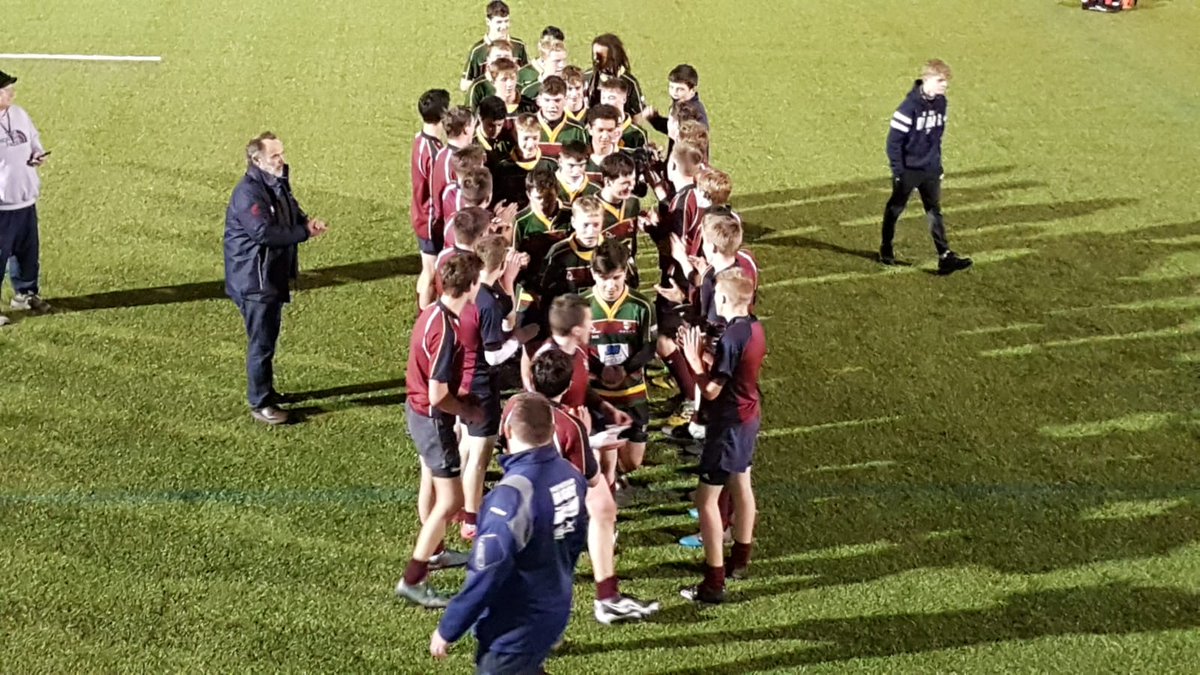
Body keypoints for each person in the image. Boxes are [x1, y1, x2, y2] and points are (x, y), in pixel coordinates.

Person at [430, 393, 588, 672]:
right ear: (552, 431)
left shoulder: (511, 498)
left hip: (513, 627)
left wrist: (449, 627)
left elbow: (487, 572)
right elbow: (576, 541)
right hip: (554, 609)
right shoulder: (570, 475)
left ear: (508, 430)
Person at [528, 349, 659, 624]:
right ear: (567, 387)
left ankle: (607, 596)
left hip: (522, 497)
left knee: (603, 508)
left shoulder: (516, 409)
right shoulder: (570, 424)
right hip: (555, 502)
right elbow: (587, 474)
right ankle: (541, 627)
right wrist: (590, 437)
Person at [397, 253, 486, 608]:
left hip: (417, 411)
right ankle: (413, 579)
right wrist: (468, 410)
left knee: (435, 487)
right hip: (432, 418)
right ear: (471, 286)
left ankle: (435, 554)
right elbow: (438, 394)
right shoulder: (447, 329)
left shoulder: (431, 312)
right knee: (450, 500)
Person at [223, 132, 328, 425]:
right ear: (257, 160)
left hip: (267, 276)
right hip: (255, 281)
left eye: (281, 153)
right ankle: (260, 403)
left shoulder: (274, 181)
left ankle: (266, 392)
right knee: (262, 343)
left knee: (266, 340)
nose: (282, 160)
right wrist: (304, 232)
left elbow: (288, 208)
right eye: (275, 156)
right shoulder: (248, 193)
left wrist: (305, 221)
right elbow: (263, 233)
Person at [678, 268, 766, 605]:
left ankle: (713, 583)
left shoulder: (731, 337)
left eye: (716, 296)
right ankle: (740, 562)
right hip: (748, 416)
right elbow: (734, 370)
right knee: (742, 485)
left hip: (728, 425)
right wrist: (705, 356)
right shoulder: (754, 327)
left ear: (726, 299)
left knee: (706, 501)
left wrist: (692, 361)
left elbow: (712, 391)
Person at [457, 235, 532, 540]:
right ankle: (471, 518)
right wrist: (519, 339)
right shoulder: (488, 301)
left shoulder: (471, 290)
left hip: (460, 378)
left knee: (464, 447)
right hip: (481, 384)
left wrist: (509, 283)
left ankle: (457, 503)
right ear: (501, 265)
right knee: (480, 454)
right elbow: (493, 353)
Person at [880, 59, 973, 275]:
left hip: (930, 169)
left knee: (934, 211)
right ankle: (886, 247)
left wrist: (937, 166)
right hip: (909, 170)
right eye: (941, 80)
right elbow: (893, 143)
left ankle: (945, 256)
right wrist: (899, 172)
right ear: (927, 79)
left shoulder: (941, 103)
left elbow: (936, 137)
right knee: (895, 209)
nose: (945, 86)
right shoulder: (908, 108)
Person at [583, 238, 656, 482]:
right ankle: (606, 496)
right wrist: (598, 371)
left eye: (617, 277)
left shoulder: (642, 306)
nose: (611, 286)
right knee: (604, 465)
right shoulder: (583, 306)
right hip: (597, 397)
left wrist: (624, 370)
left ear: (626, 272)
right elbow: (577, 350)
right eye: (604, 279)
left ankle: (614, 476)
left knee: (633, 462)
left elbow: (649, 347)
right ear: (593, 274)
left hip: (632, 394)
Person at [0, 70, 52, 323]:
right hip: (1, 206)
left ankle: (25, 294)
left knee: (27, 252)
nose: (12, 93)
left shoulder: (18, 114)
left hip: (25, 200)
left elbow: (33, 140)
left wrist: (37, 154)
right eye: (6, 89)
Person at [412, 89, 451, 309]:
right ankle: (425, 317)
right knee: (430, 271)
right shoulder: (435, 152)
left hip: (420, 213)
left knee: (427, 268)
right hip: (428, 220)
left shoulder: (420, 140)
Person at [540, 196, 604, 305]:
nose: (591, 231)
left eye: (596, 224)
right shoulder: (558, 252)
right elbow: (546, 290)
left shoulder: (613, 250)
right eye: (585, 225)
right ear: (573, 222)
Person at [492, 113, 558, 207]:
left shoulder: (550, 165)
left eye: (535, 138)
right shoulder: (503, 166)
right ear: (516, 135)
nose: (530, 144)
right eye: (525, 138)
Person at [461, 0, 529, 91]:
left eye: (506, 21)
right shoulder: (478, 50)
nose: (504, 26)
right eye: (499, 22)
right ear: (488, 21)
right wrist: (488, 80)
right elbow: (464, 85)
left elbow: (528, 77)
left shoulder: (519, 46)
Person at [585, 34, 646, 118]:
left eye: (600, 55)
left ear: (613, 55)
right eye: (594, 54)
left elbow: (637, 115)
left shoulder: (629, 82)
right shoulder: (587, 76)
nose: (596, 59)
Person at [644, 64, 710, 136]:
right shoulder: (679, 102)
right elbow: (672, 129)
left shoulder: (695, 112)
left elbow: (700, 139)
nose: (674, 93)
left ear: (693, 90)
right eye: (671, 87)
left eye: (680, 89)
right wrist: (655, 120)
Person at [533, 76, 588, 158]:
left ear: (566, 100)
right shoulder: (527, 125)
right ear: (539, 101)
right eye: (547, 100)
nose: (552, 106)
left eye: (557, 100)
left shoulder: (578, 129)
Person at [598, 78, 648, 150]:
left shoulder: (637, 133)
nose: (606, 102)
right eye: (603, 98)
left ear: (624, 99)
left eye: (611, 98)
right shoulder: (594, 129)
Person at [518, 31, 568, 99]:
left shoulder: (570, 84)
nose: (562, 65)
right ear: (543, 61)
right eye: (557, 61)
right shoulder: (530, 91)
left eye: (563, 60)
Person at [556, 140, 600, 206]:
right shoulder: (548, 186)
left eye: (581, 165)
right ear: (560, 161)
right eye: (571, 165)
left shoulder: (595, 190)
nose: (576, 171)